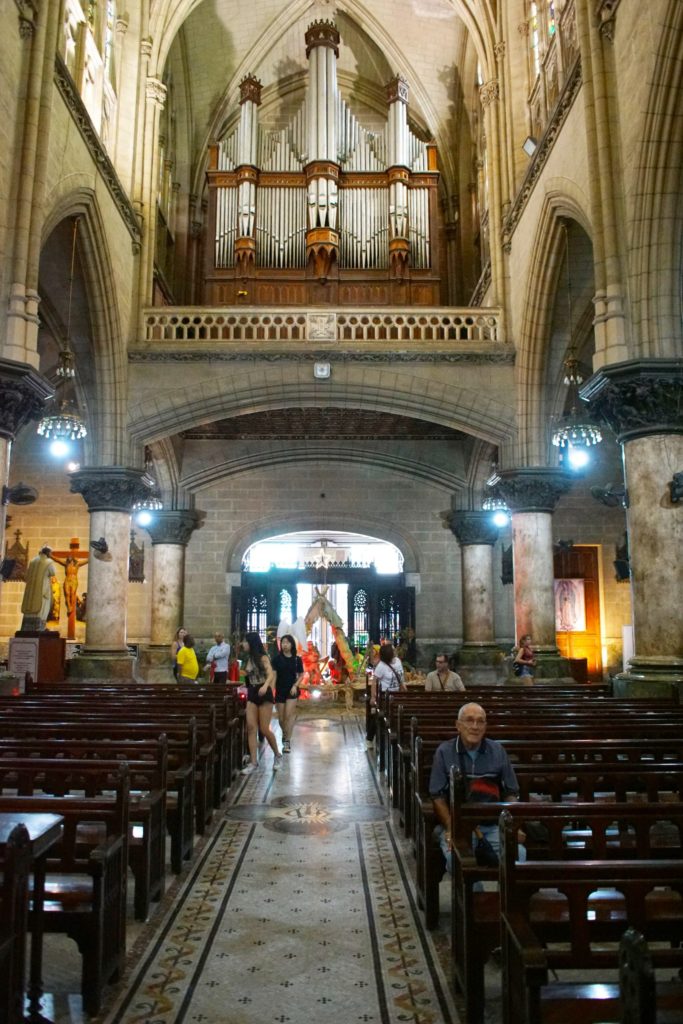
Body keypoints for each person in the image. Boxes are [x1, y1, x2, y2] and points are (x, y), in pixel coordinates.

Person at [429, 702, 521, 875]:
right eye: (469, 721)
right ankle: (473, 900)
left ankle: (500, 901)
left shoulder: (497, 750)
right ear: (458, 725)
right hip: (460, 826)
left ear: (485, 727)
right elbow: (437, 795)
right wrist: (451, 826)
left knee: (518, 857)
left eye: (480, 722)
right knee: (455, 859)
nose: (475, 727)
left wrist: (513, 825)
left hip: (494, 825)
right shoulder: (445, 752)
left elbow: (511, 791)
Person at [240, 631, 282, 774]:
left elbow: (270, 674)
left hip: (264, 693)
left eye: (245, 641)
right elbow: (247, 675)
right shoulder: (248, 658)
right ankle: (253, 762)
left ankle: (277, 754)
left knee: (264, 728)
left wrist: (265, 686)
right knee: (251, 727)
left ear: (251, 643)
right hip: (252, 692)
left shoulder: (263, 657)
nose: (243, 644)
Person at [367, 642, 405, 744]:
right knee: (379, 715)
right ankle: (369, 738)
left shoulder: (398, 661)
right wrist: (373, 697)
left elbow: (401, 676)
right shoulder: (381, 666)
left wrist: (403, 686)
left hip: (397, 694)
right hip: (385, 696)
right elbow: (374, 682)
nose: (395, 650)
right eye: (393, 649)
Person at [272, 633, 304, 753]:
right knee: (281, 719)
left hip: (292, 690)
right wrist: (272, 689)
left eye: (287, 642)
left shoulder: (297, 659)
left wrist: (296, 685)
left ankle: (287, 742)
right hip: (280, 690)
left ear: (292, 644)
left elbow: (301, 675)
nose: (285, 645)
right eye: (283, 643)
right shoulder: (276, 659)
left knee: (288, 716)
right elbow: (274, 676)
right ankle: (285, 734)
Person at [20, 546, 56, 631]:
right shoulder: (49, 562)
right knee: (42, 610)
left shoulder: (32, 561)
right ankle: (39, 629)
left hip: (31, 593)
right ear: (48, 553)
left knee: (30, 608)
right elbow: (53, 572)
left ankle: (27, 629)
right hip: (42, 592)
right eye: (51, 553)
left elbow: (27, 576)